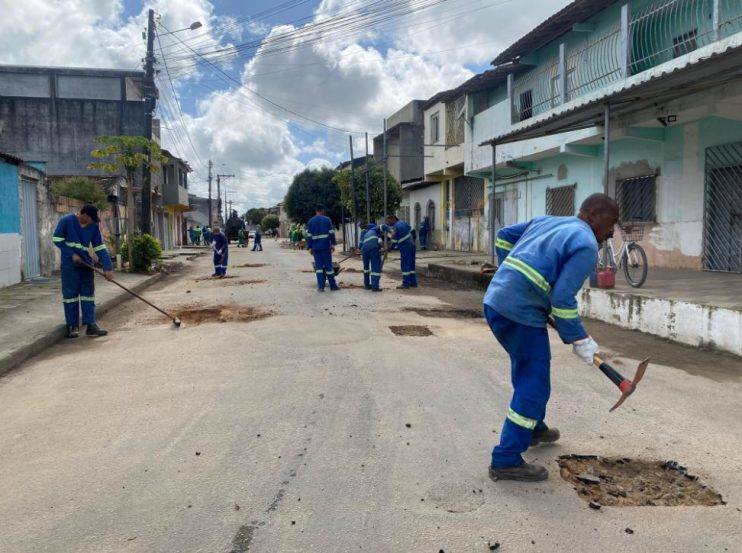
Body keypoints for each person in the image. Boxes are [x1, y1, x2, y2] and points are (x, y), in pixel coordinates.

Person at [484, 193, 619, 482]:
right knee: (534, 383)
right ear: (594, 213)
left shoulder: (548, 221)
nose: (611, 233)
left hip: (497, 302)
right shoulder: (585, 245)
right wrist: (579, 339)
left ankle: (534, 427)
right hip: (519, 312)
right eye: (612, 223)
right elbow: (561, 298)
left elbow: (504, 235)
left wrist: (509, 273)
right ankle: (506, 458)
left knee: (528, 369)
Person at [52, 204, 114, 338]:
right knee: (70, 296)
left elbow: (99, 247)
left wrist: (107, 268)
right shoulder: (67, 221)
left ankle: (91, 325)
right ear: (84, 215)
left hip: (85, 264)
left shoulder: (93, 226)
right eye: (92, 218)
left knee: (88, 295)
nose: (93, 221)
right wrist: (71, 254)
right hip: (70, 265)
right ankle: (72, 326)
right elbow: (57, 239)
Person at [306, 205, 338, 292]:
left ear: (316, 211)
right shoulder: (327, 220)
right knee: (328, 267)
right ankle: (333, 286)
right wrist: (333, 244)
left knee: (319, 268)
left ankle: (321, 287)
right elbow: (331, 233)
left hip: (316, 249)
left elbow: (309, 236)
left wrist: (309, 247)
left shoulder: (310, 221)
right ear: (322, 210)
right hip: (325, 247)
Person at [382, 215, 417, 289]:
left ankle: (406, 284)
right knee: (411, 264)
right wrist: (413, 240)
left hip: (405, 247)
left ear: (393, 219)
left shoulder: (395, 227)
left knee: (405, 264)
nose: (388, 223)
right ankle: (413, 282)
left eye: (388, 221)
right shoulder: (403, 223)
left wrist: (389, 249)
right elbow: (413, 231)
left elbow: (394, 241)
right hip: (411, 246)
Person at [360, 222, 383, 291]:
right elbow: (379, 241)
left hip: (364, 250)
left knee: (366, 268)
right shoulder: (375, 230)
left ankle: (367, 285)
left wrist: (359, 249)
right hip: (373, 249)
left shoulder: (365, 232)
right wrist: (379, 248)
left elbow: (361, 243)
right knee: (375, 268)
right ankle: (375, 286)